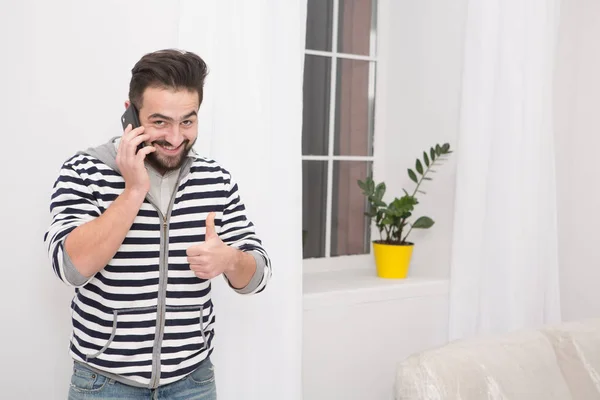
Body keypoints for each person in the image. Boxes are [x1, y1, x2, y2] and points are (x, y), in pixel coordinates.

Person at [44, 49, 272, 399]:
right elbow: (70, 268)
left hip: (192, 383)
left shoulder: (217, 180)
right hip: (104, 384)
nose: (176, 138)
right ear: (130, 114)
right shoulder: (83, 171)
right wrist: (134, 189)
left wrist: (229, 260)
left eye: (187, 122)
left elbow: (258, 276)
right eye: (160, 122)